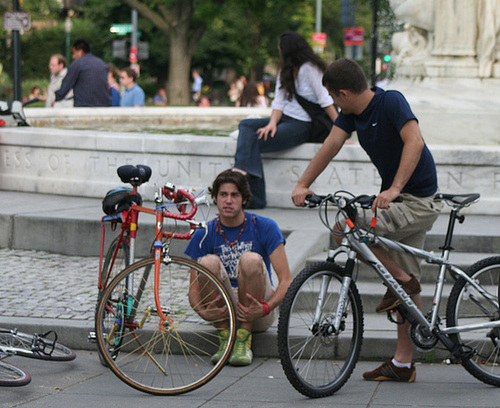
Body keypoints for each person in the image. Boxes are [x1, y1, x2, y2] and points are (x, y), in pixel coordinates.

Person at [291, 58, 443, 383]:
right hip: (399, 201)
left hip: (417, 202)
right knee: (406, 280)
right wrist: (303, 184)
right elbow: (331, 145)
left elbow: (414, 141)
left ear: (343, 93)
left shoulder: (391, 101)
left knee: (345, 227)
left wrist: (394, 188)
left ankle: (401, 278)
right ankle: (403, 363)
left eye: (333, 98)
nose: (333, 104)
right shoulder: (351, 115)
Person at [184, 169, 292, 366]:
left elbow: (286, 281)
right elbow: (193, 290)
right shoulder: (204, 233)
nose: (228, 200)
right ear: (215, 199)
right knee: (207, 262)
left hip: (258, 308)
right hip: (223, 311)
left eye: (234, 195)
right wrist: (203, 312)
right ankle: (225, 337)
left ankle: (243, 338)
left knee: (250, 259)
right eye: (223, 195)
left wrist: (266, 308)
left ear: (244, 199)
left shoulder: (265, 226)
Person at [233, 31, 338, 209]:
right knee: (246, 125)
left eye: (280, 48)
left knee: (252, 141)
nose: (278, 52)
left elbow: (326, 101)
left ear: (288, 50)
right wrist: (272, 123)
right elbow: (279, 100)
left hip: (302, 125)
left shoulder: (310, 69)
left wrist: (340, 131)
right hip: (284, 120)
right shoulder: (286, 70)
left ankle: (250, 189)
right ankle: (241, 171)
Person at [54, 39, 111, 107]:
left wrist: (56, 98)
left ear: (80, 52)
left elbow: (66, 85)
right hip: (103, 106)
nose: (73, 56)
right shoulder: (102, 64)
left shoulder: (77, 64)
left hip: (83, 106)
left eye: (74, 53)